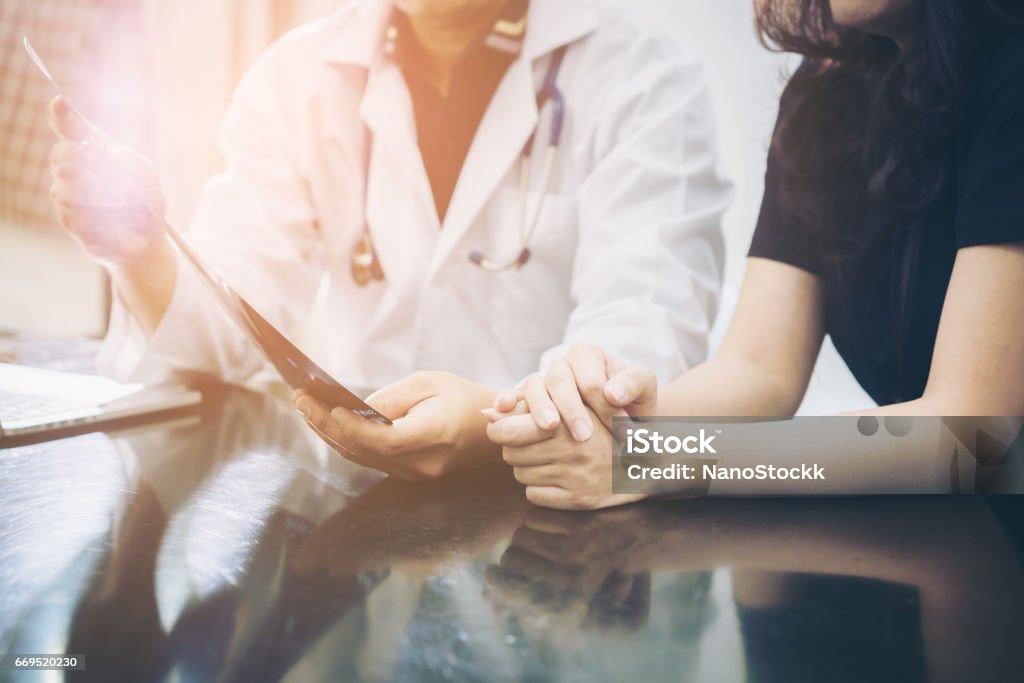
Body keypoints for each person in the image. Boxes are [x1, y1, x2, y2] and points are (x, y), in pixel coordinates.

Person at [46, 0, 731, 478]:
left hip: (562, 517)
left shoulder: (645, 81)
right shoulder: (297, 77)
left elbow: (644, 334)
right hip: (357, 509)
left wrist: (498, 427)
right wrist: (140, 252)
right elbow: (228, 323)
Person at [486, 0, 1024, 508]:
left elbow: (971, 438)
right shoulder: (825, 89)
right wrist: (602, 417)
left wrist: (658, 460)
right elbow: (758, 370)